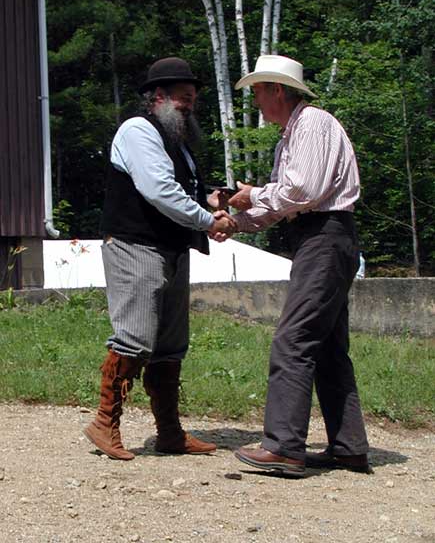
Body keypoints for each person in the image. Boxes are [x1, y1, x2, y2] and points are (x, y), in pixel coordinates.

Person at [213, 55, 370, 476]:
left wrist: (251, 197)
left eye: (259, 92)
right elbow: (285, 201)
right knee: (328, 347)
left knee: (293, 339)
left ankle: (284, 445)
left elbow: (301, 190)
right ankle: (349, 446)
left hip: (324, 237)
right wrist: (237, 220)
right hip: (321, 237)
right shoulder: (292, 135)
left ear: (277, 90)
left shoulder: (313, 124)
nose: (258, 104)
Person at [84, 57, 236, 461]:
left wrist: (209, 203)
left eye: (192, 100)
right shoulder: (137, 131)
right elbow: (158, 190)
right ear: (159, 97)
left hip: (168, 247)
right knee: (134, 338)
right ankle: (104, 422)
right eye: (183, 98)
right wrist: (208, 221)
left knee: (170, 344)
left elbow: (175, 192)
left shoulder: (178, 145)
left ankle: (169, 432)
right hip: (136, 245)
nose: (189, 105)